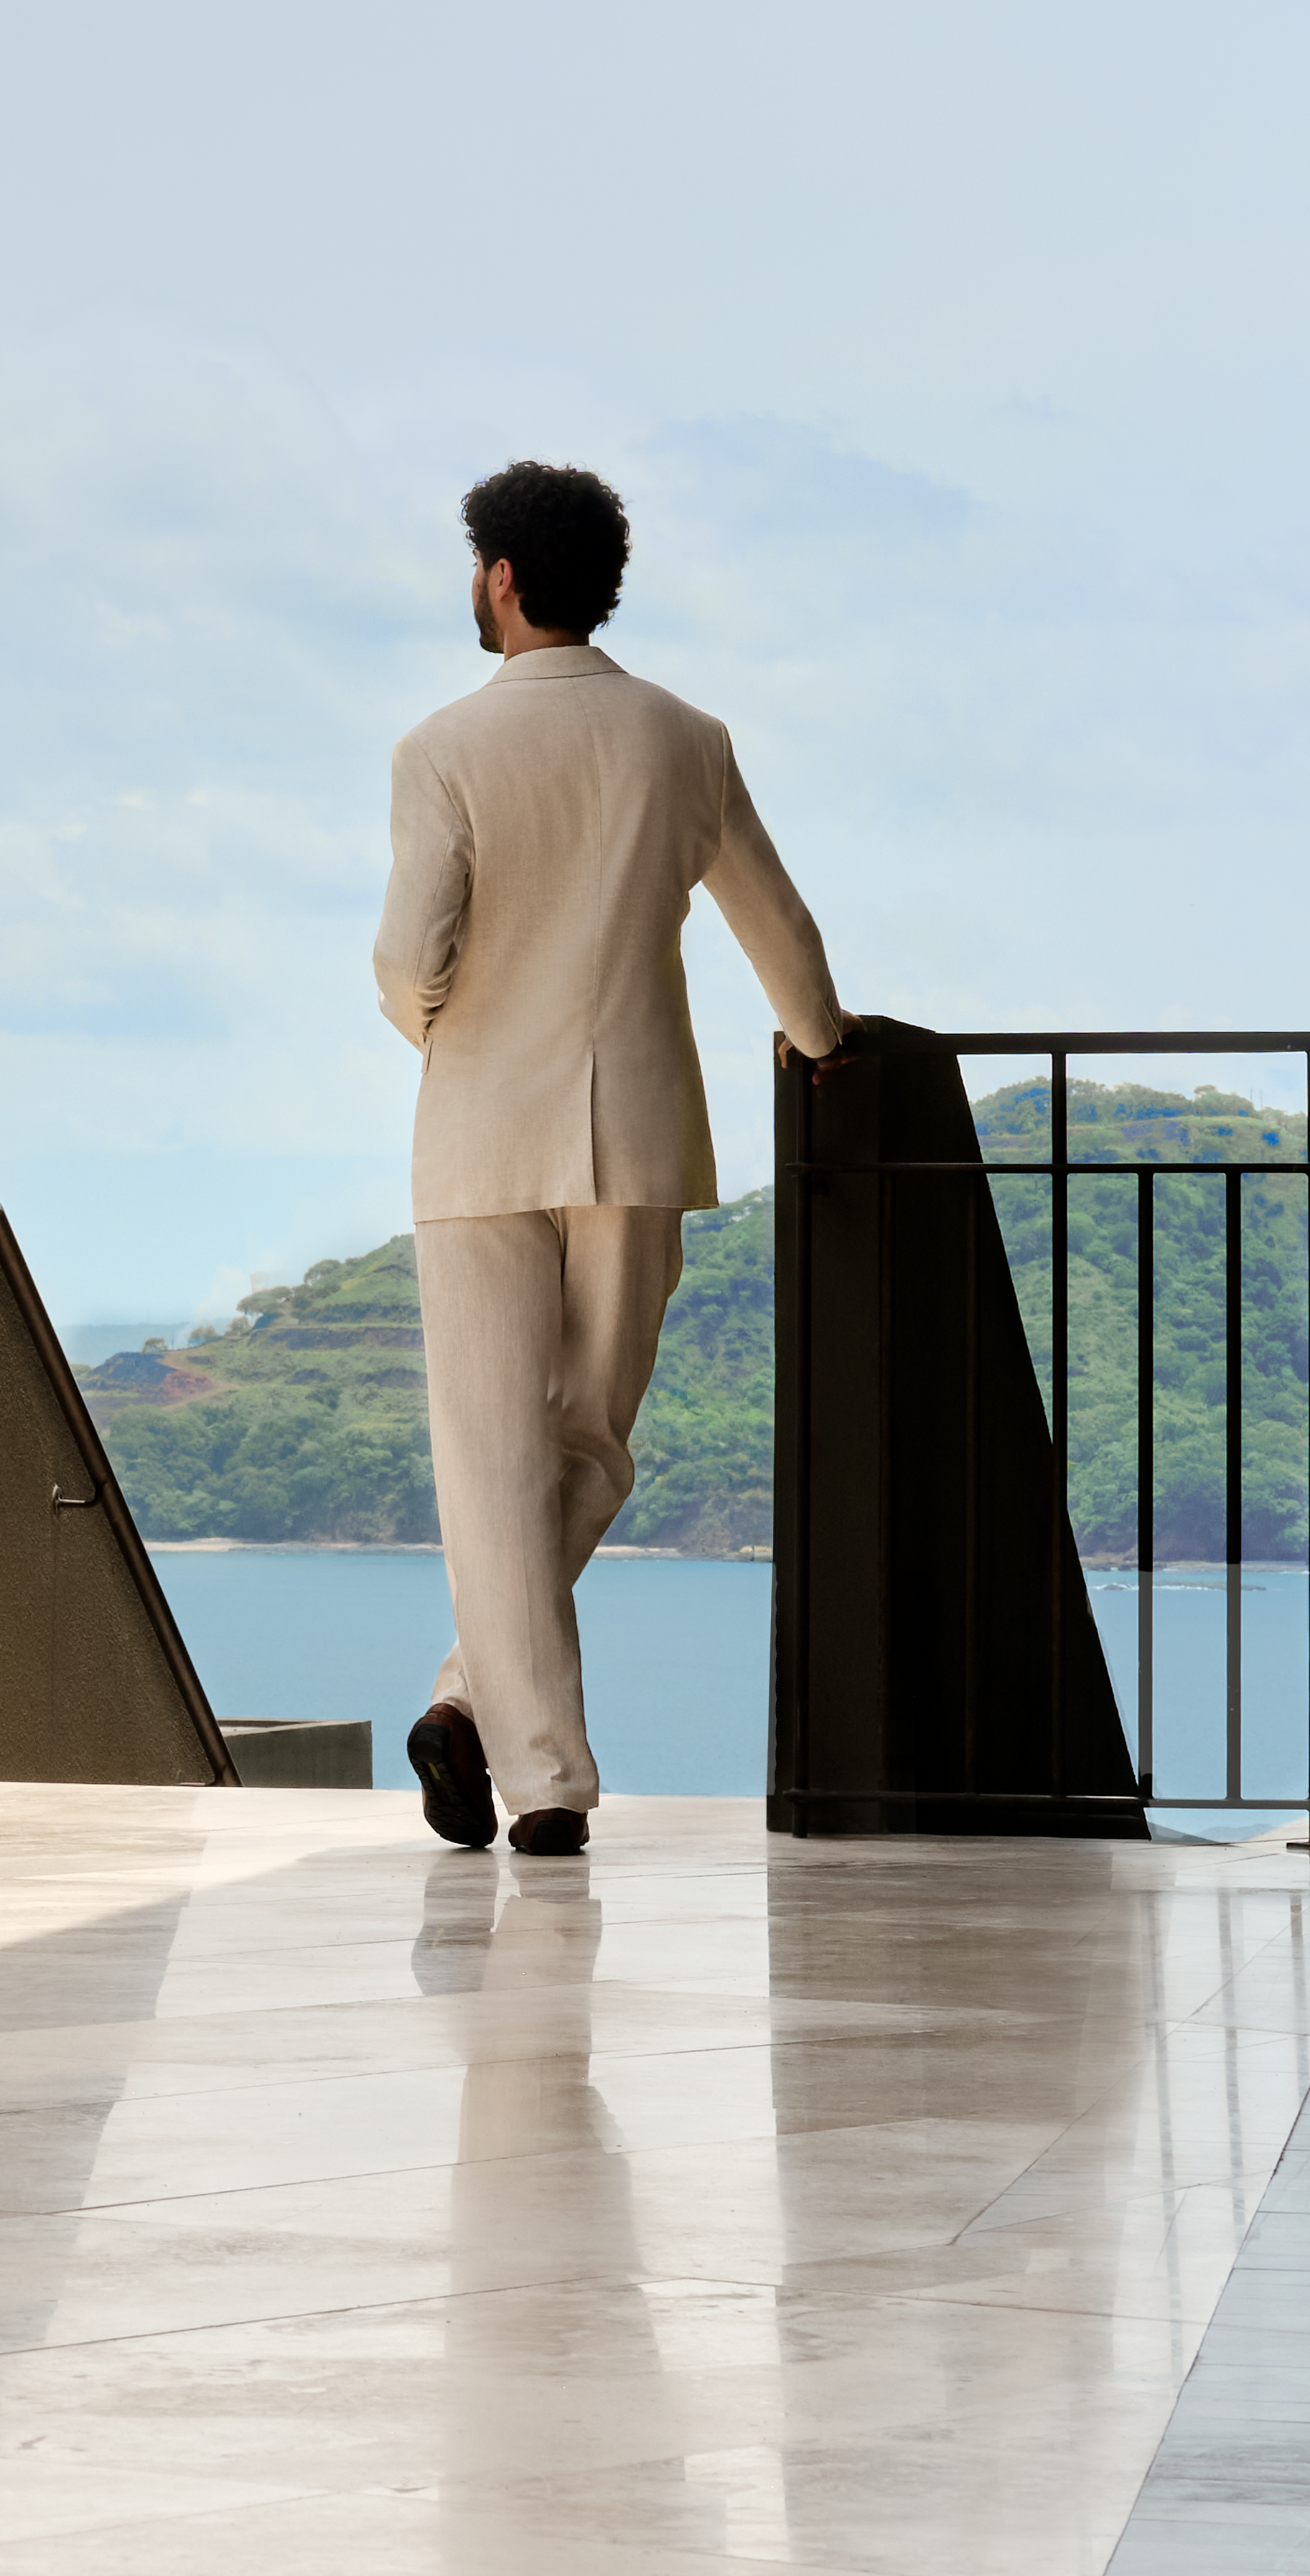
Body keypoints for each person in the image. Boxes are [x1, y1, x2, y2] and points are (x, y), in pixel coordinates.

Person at [373, 457, 853, 1855]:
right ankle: (539, 1771)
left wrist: (448, 1035)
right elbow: (783, 933)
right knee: (586, 1439)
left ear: (503, 579)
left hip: (474, 1141)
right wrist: (820, 1039)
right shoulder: (684, 739)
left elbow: (408, 961)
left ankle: (495, 1728)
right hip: (637, 1138)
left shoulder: (439, 751)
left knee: (488, 1461)